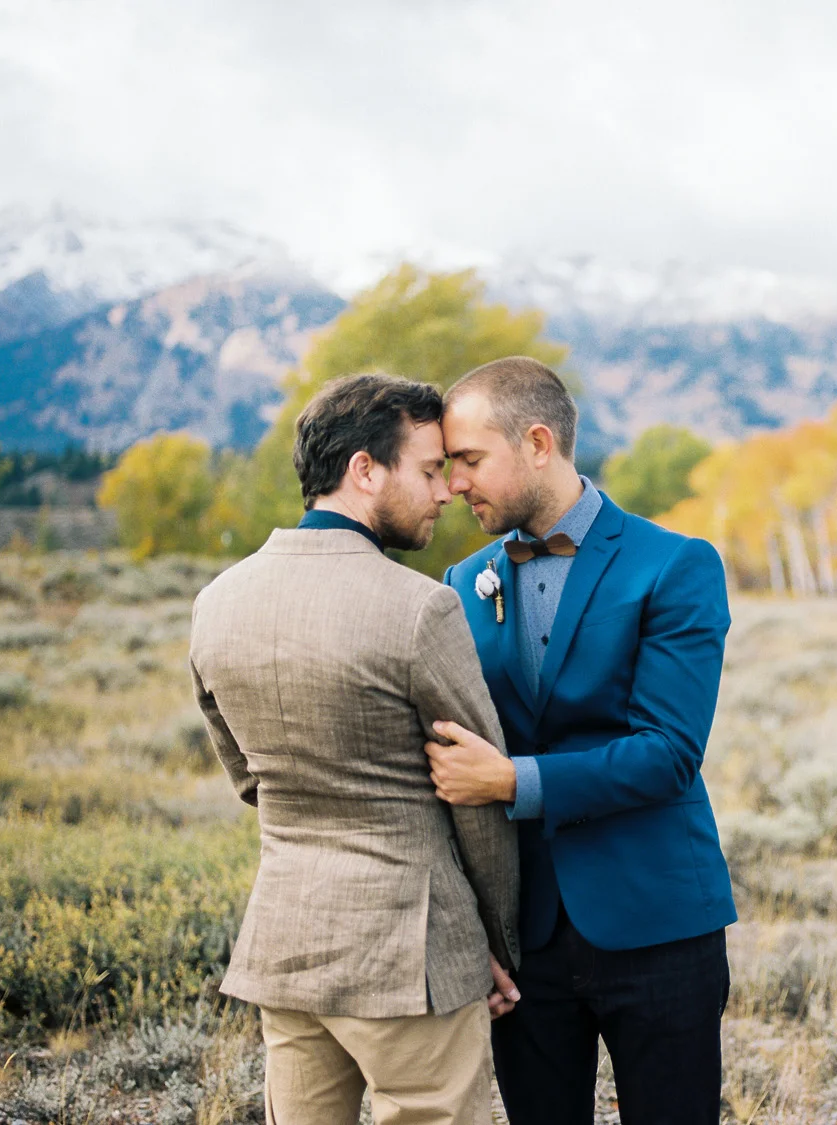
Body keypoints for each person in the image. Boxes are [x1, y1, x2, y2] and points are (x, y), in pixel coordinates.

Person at [188, 373, 520, 1125]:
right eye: (429, 471)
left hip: (287, 942)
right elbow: (476, 798)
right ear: (364, 470)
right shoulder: (420, 607)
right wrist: (496, 942)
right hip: (411, 952)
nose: (445, 491)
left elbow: (248, 778)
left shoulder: (217, 603)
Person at [427, 356, 736, 1125]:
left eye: (469, 459)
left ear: (538, 443)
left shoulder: (675, 565)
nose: (455, 483)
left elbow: (668, 753)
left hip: (657, 921)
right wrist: (475, 929)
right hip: (525, 943)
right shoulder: (463, 582)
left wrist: (512, 781)